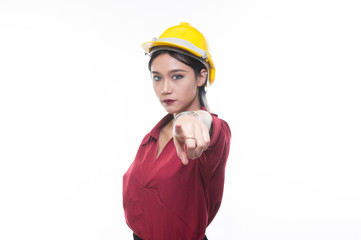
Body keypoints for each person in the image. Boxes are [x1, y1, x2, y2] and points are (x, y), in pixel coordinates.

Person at [123, 22, 231, 240]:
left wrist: (193, 117)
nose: (164, 89)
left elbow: (208, 124)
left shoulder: (208, 133)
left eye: (177, 76)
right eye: (157, 77)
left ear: (201, 77)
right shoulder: (151, 137)